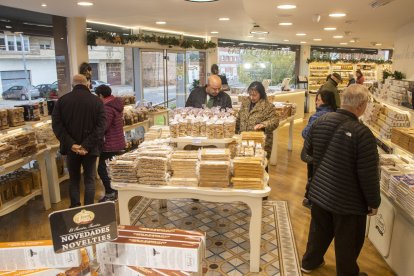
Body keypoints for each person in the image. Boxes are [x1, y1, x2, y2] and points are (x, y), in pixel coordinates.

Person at [300, 84, 381, 276]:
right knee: (348, 241)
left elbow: (306, 153)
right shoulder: (362, 134)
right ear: (361, 105)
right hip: (348, 200)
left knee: (319, 232)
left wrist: (325, 165)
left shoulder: (320, 121)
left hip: (319, 191)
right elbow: (367, 173)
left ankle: (309, 263)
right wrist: (373, 201)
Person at [52, 74, 106, 208]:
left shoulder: (62, 101)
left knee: (74, 180)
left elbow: (57, 125)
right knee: (89, 180)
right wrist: (86, 145)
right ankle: (89, 209)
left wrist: (72, 144)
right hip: (91, 148)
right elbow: (101, 126)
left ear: (73, 85)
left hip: (71, 150)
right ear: (87, 84)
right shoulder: (97, 101)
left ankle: (75, 208)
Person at [301, 90, 337, 209]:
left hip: (315, 152)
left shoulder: (317, 116)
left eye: (318, 99)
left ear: (324, 102)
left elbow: (306, 134)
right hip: (330, 153)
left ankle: (311, 200)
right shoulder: (335, 113)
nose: (316, 102)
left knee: (312, 175)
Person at [95, 85, 126, 202]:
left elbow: (104, 126)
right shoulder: (116, 104)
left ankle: (110, 192)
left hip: (109, 143)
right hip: (118, 141)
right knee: (112, 167)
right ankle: (116, 190)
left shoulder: (107, 107)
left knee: (101, 168)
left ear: (101, 95)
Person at [236, 81, 279, 159]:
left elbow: (275, 121)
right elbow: (239, 119)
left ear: (261, 94)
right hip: (244, 142)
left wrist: (263, 125)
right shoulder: (245, 103)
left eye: (254, 95)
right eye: (250, 94)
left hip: (260, 144)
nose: (252, 97)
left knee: (259, 166)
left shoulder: (268, 106)